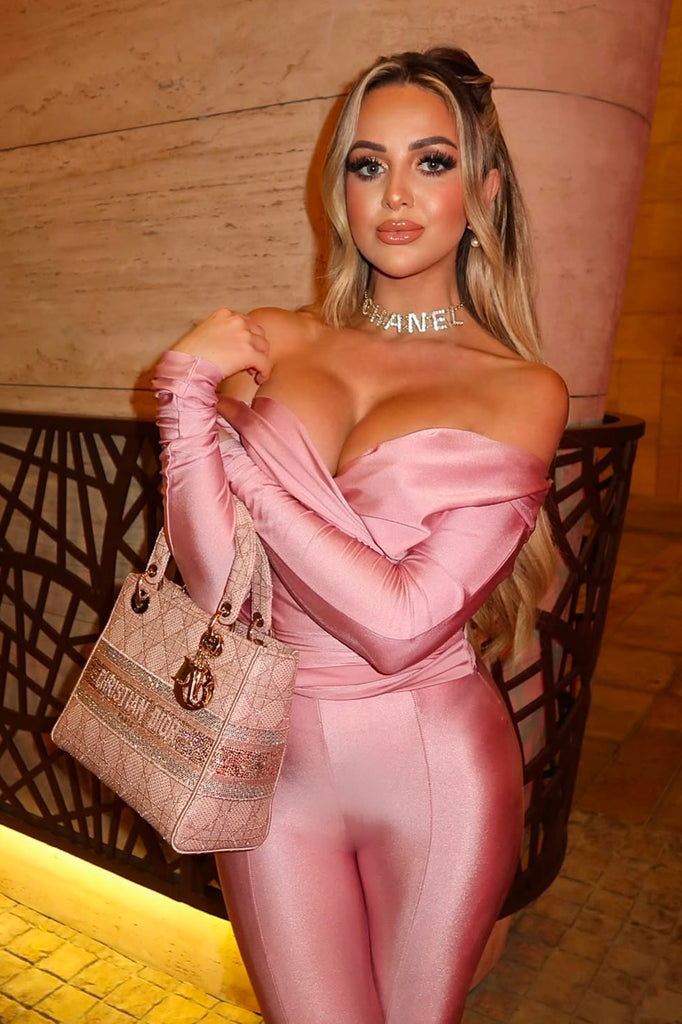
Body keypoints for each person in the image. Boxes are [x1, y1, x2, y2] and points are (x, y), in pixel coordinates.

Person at [152, 46, 568, 1024]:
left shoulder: (521, 390)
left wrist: (242, 463)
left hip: (434, 765)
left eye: (433, 161)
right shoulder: (274, 339)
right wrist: (182, 396)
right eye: (368, 164)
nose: (396, 194)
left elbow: (401, 625)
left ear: (485, 191)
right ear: (340, 191)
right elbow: (217, 587)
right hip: (268, 759)